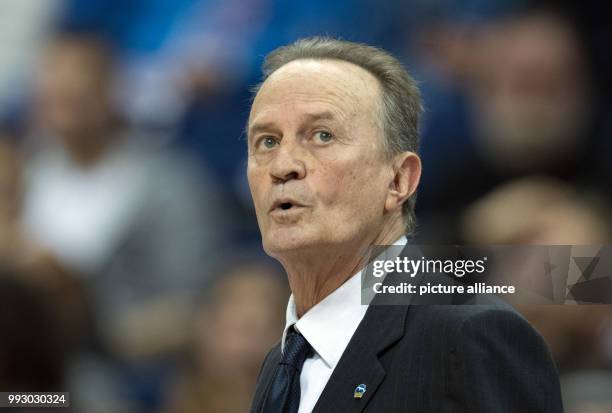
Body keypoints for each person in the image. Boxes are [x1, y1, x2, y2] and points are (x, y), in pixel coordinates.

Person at [246, 37, 563, 412]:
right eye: (267, 142)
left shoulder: (468, 336)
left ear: (399, 180)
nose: (283, 166)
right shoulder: (282, 362)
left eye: (322, 135)